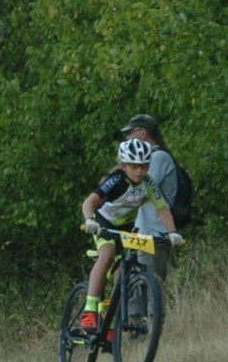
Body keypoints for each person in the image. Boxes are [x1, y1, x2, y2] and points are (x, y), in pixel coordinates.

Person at [75, 140, 183, 335]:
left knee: (123, 275)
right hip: (104, 223)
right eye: (134, 166)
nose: (139, 171)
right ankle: (89, 311)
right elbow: (89, 202)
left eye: (144, 166)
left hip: (127, 228)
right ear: (124, 165)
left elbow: (162, 210)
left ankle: (111, 322)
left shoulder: (149, 183)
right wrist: (89, 220)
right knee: (107, 255)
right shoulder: (116, 179)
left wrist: (172, 232)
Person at [122, 114, 179, 280]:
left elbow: (136, 188)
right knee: (131, 283)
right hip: (139, 232)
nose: (127, 138)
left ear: (142, 133)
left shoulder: (158, 157)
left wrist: (123, 166)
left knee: (152, 282)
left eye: (130, 132)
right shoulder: (149, 158)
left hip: (154, 233)